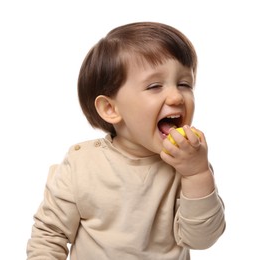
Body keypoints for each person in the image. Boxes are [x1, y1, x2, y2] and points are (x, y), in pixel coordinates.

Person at [26, 21, 225, 260]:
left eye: (184, 84)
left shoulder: (189, 167)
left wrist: (197, 174)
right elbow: (48, 236)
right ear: (110, 108)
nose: (176, 96)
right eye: (154, 86)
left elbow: (202, 239)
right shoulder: (81, 164)